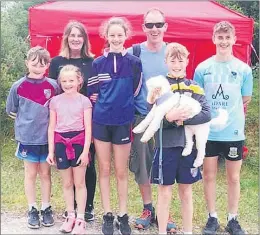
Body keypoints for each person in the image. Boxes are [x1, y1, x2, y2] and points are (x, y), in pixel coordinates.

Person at [193, 21, 253, 235]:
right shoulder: (203, 68)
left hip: (233, 132)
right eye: (220, 37)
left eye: (228, 37)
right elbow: (197, 98)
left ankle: (233, 219)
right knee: (208, 175)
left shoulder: (244, 69)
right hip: (208, 132)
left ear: (234, 40)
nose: (224, 41)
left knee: (233, 177)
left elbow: (245, 98)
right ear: (214, 39)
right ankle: (212, 217)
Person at [87, 17, 142, 235]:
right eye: (112, 35)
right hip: (101, 121)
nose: (116, 39)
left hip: (123, 121)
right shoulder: (98, 63)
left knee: (121, 171)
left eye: (120, 35)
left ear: (126, 36)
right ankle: (108, 214)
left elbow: (136, 91)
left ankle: (123, 214)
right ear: (106, 37)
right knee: (105, 169)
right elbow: (92, 94)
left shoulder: (134, 63)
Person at [149, 42, 211, 234]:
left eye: (180, 60)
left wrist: (182, 120)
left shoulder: (195, 86)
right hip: (165, 146)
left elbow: (207, 113)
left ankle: (188, 231)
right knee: (164, 191)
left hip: (188, 148)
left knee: (186, 191)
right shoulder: (159, 86)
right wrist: (168, 118)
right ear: (166, 61)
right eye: (172, 60)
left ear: (187, 61)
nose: (177, 64)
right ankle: (161, 231)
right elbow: (152, 116)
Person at [127, 8, 176, 232]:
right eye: (150, 25)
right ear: (143, 27)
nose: (154, 29)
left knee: (167, 164)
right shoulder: (133, 51)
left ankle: (166, 212)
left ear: (166, 26)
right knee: (143, 164)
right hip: (142, 117)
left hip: (169, 119)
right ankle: (148, 208)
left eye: (159, 24)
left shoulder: (173, 52)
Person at [48, 20, 97, 222]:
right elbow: (52, 89)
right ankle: (71, 209)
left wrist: (96, 97)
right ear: (66, 38)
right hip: (63, 117)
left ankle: (87, 208)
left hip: (85, 118)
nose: (76, 39)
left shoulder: (92, 62)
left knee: (87, 165)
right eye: (72, 35)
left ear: (84, 39)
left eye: (80, 35)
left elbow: (96, 87)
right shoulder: (57, 61)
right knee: (68, 173)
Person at [6, 46, 59, 229]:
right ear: (27, 63)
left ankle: (46, 208)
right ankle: (32, 209)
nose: (38, 67)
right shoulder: (18, 86)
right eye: (34, 63)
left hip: (47, 140)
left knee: (45, 174)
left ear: (47, 65)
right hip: (27, 139)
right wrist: (26, 126)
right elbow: (11, 111)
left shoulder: (53, 86)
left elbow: (57, 110)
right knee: (30, 174)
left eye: (42, 63)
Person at [46, 65, 92, 234]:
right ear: (60, 82)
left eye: (71, 80)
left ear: (79, 80)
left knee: (79, 182)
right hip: (60, 143)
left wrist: (86, 151)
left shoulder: (84, 101)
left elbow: (88, 128)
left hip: (79, 143)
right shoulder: (55, 101)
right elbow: (51, 127)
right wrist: (51, 151)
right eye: (64, 81)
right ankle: (70, 215)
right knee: (67, 183)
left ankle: (80, 218)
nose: (67, 84)